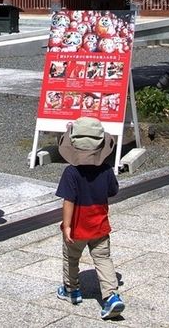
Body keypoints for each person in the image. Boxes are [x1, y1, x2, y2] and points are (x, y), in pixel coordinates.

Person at [56, 117, 125, 320]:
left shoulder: (71, 172)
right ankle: (111, 296)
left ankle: (72, 290)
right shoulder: (105, 170)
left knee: (71, 258)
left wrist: (67, 225)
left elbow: (68, 201)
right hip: (100, 224)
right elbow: (112, 191)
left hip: (78, 226)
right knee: (103, 259)